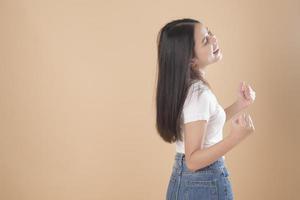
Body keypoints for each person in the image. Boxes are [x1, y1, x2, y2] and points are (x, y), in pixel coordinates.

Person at [155, 18, 256, 200]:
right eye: (205, 40)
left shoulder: (189, 89)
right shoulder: (198, 94)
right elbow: (193, 161)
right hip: (203, 183)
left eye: (209, 33)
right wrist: (235, 137)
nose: (214, 39)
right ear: (191, 60)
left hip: (191, 183)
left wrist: (239, 104)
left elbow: (207, 126)